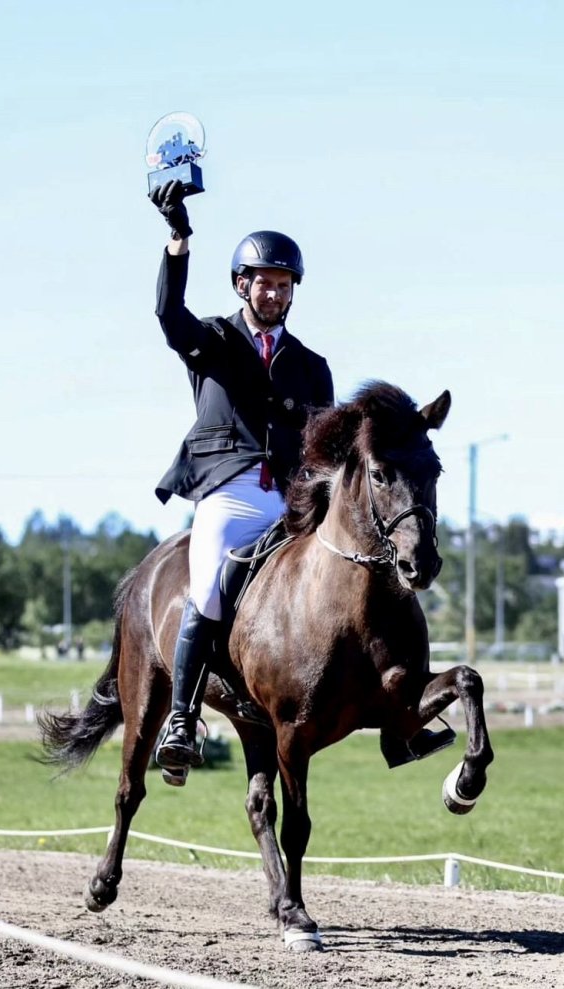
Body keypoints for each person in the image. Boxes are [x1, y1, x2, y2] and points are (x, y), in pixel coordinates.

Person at [149, 179, 452, 779]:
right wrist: (178, 239)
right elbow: (167, 315)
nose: (274, 292)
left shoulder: (312, 367)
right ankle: (182, 719)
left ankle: (401, 722)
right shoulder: (212, 341)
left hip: (290, 503)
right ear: (242, 285)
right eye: (264, 281)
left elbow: (328, 452)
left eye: (283, 284)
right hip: (228, 493)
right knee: (209, 590)